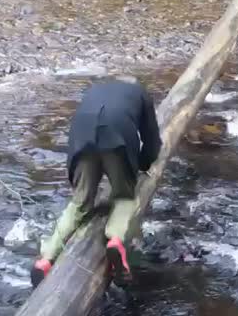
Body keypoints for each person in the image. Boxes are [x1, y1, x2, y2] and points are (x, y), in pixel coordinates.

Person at [31, 76, 162, 288]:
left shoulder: (95, 90)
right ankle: (116, 240)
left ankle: (46, 258)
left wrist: (79, 181)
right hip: (116, 135)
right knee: (124, 197)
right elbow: (151, 140)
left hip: (81, 134)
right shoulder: (141, 94)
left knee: (79, 203)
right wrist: (143, 166)